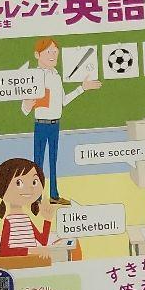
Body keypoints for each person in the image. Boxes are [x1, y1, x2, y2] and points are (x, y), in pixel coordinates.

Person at [21, 37, 101, 205]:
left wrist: (82, 88)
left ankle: (54, 195)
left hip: (55, 124)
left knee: (53, 160)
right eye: (48, 51)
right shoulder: (33, 76)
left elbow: (63, 101)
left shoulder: (56, 76)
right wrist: (27, 105)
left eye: (55, 51)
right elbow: (24, 109)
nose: (53, 55)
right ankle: (36, 198)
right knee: (38, 162)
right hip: (41, 124)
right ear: (37, 55)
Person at [0, 158, 54, 259]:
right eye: (18, 183)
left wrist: (47, 220)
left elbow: (43, 241)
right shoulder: (9, 221)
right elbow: (3, 252)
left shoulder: (25, 219)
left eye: (34, 182)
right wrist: (30, 250)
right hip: (17, 263)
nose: (30, 188)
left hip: (30, 261)